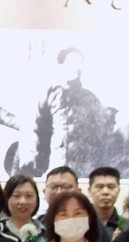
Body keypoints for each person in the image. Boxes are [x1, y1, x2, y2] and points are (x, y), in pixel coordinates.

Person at [30, 48, 107, 176]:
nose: (77, 67)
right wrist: (39, 164)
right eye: (73, 62)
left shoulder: (91, 98)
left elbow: (101, 133)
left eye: (80, 63)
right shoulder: (51, 94)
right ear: (61, 65)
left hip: (85, 165)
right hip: (58, 160)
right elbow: (38, 129)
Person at [87, 166, 122, 235]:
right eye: (99, 187)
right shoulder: (80, 224)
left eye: (111, 187)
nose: (105, 192)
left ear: (118, 191)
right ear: (89, 191)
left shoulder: (128, 227)